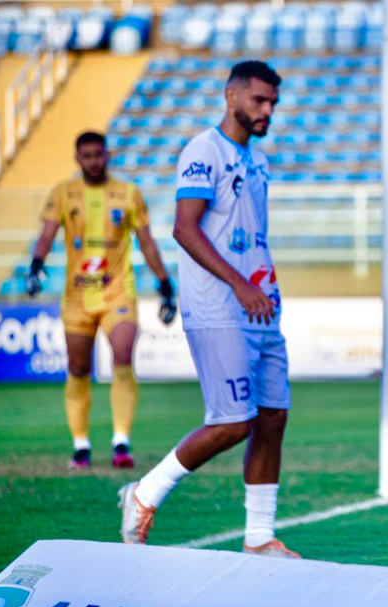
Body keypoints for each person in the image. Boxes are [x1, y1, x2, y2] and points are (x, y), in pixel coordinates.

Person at [119, 61, 297, 559]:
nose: (268, 111)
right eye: (259, 100)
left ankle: (259, 538)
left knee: (272, 418)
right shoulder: (204, 150)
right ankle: (144, 493)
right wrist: (241, 285)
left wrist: (261, 286)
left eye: (273, 103)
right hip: (219, 306)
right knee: (233, 422)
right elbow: (185, 228)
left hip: (261, 305)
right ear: (231, 95)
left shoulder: (257, 161)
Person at [28, 130, 176, 470]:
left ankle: (121, 441)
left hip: (117, 293)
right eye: (87, 155)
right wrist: (36, 265)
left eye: (99, 154)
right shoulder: (64, 193)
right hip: (77, 298)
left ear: (108, 155)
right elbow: (47, 233)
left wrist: (165, 282)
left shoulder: (128, 194)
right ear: (78, 158)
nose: (94, 161)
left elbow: (148, 242)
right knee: (78, 368)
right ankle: (81, 446)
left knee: (123, 354)